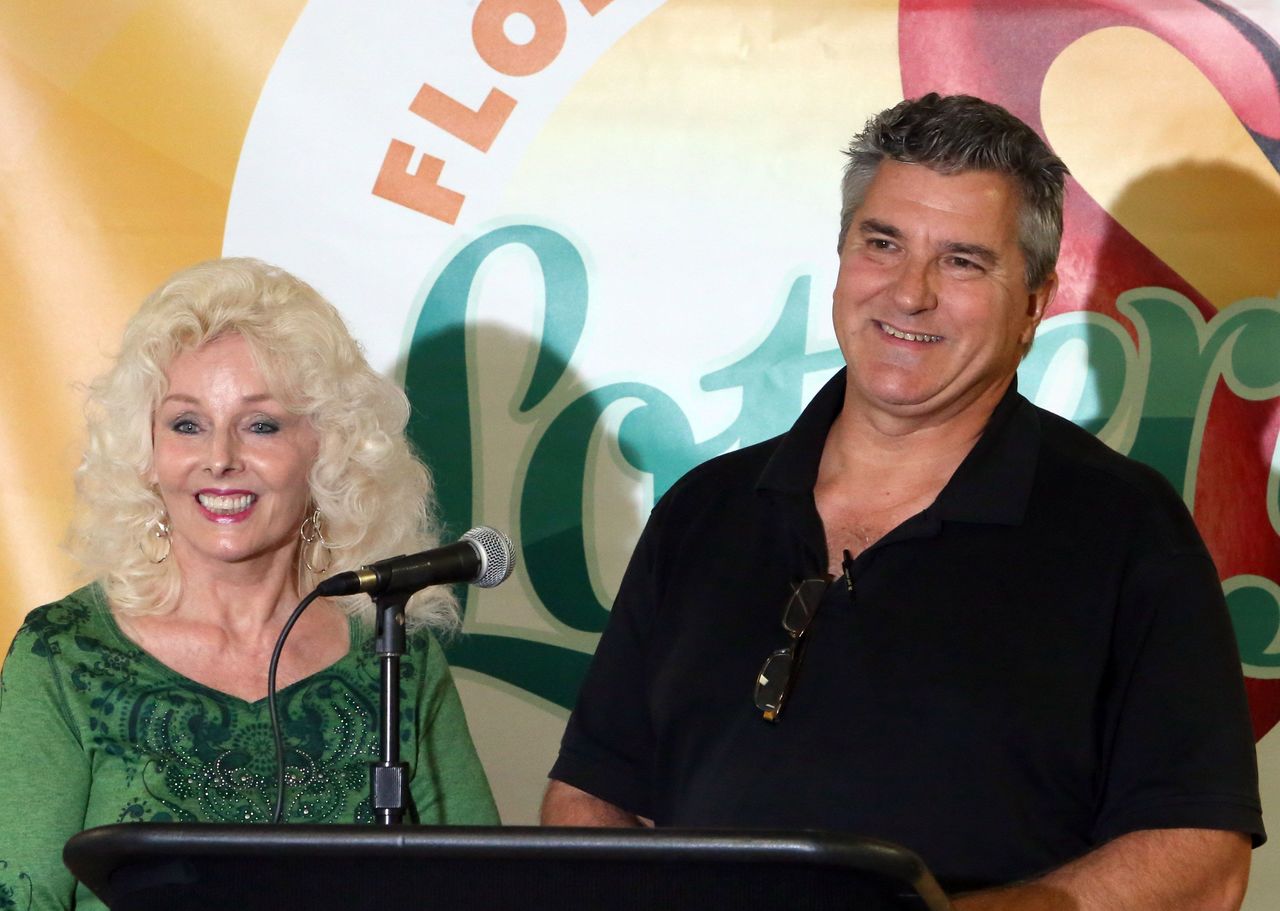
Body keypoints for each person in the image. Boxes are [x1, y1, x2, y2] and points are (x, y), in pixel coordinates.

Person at [542, 94, 1265, 909]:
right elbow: (591, 794)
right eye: (882, 243)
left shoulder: (1127, 530)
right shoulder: (704, 512)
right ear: (844, 254)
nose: (909, 293)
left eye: (962, 261)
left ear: (1033, 301)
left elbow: (1203, 861)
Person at [0, 258, 498, 911]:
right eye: (187, 423)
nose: (220, 457)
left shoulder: (392, 654)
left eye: (261, 424)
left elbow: (489, 891)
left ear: (328, 448)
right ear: (145, 452)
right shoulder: (66, 654)